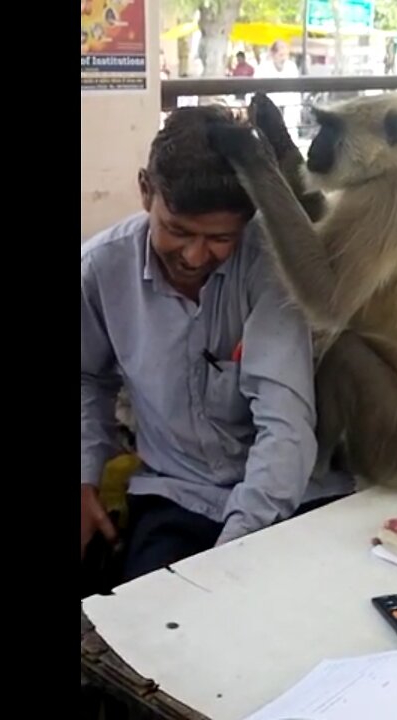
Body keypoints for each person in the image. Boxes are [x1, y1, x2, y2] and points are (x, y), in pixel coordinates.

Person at [81, 106, 351, 583]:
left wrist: (231, 555)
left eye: (219, 239)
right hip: (176, 494)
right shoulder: (101, 269)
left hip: (284, 497)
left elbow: (285, 422)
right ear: (146, 191)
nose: (193, 255)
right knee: (148, 624)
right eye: (178, 231)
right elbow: (87, 377)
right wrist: (85, 475)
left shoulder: (271, 268)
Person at [253, 40, 301, 131]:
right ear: (273, 55)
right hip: (269, 111)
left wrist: (297, 111)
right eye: (281, 55)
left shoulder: (291, 67)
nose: (283, 59)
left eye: (286, 55)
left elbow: (296, 92)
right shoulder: (262, 69)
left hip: (289, 109)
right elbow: (256, 91)